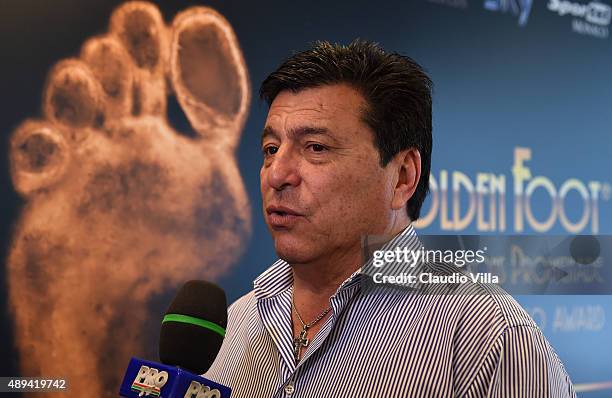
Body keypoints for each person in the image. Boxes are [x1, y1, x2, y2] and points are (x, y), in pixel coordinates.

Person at [205, 40, 576, 397]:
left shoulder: (487, 335)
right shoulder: (237, 322)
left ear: (402, 176)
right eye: (271, 149)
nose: (276, 174)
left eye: (316, 148)